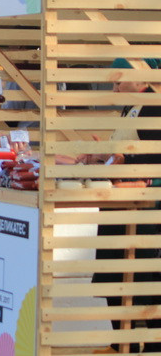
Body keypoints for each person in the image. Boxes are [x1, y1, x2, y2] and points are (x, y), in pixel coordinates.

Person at [76, 58, 161, 353]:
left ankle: (149, 346)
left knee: (145, 281)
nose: (114, 88)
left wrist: (127, 162)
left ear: (141, 81)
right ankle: (120, 344)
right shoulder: (131, 108)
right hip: (119, 205)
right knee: (115, 276)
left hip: (144, 211)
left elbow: (154, 159)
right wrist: (103, 157)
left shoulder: (154, 107)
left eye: (118, 82)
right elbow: (124, 152)